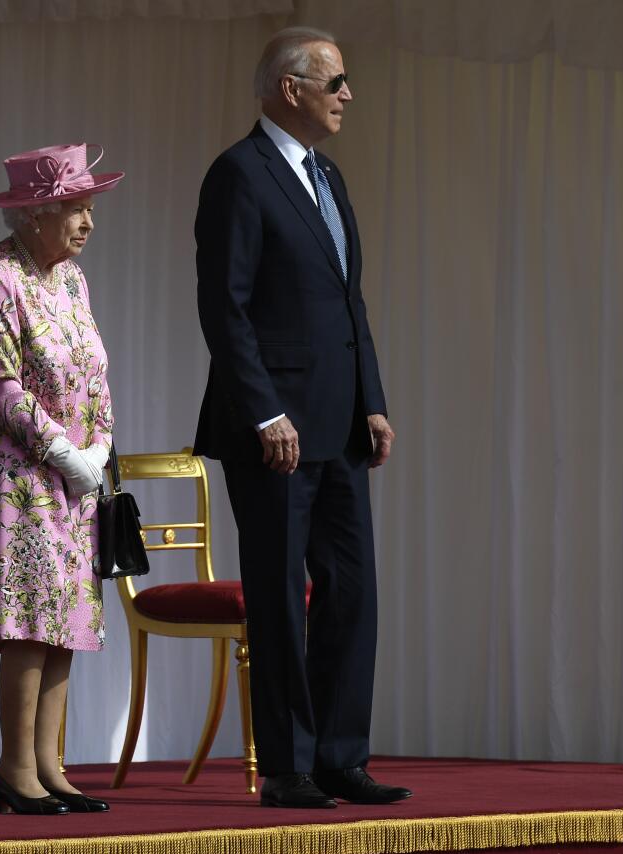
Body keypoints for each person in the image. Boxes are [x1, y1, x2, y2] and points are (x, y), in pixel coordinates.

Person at [193, 28, 412, 809]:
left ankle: (339, 758)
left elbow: (349, 305)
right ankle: (286, 766)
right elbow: (227, 309)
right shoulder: (239, 175)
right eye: (337, 81)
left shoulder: (330, 176)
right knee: (282, 595)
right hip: (274, 432)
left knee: (354, 590)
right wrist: (264, 412)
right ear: (292, 89)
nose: (348, 94)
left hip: (341, 424)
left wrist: (373, 400)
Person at [0, 144, 121, 815]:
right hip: (18, 477)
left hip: (75, 480)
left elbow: (95, 369)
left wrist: (101, 445)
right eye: (75, 208)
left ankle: (51, 763)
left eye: (88, 208)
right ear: (34, 214)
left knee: (68, 620)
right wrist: (62, 449)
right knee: (29, 621)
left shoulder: (73, 280)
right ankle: (14, 770)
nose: (87, 222)